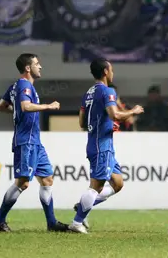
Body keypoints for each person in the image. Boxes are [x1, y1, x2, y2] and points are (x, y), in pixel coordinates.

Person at [0, 53, 69, 232]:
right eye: (37, 64)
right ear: (28, 68)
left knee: (47, 179)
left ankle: (52, 223)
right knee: (23, 182)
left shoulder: (15, 86)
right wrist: (48, 107)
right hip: (26, 141)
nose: (40, 67)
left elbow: (0, 106)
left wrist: (15, 109)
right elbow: (26, 107)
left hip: (35, 142)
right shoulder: (25, 85)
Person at [69, 58, 144, 234]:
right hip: (101, 145)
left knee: (117, 183)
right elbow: (115, 114)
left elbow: (82, 122)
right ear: (105, 72)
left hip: (100, 143)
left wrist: (106, 125)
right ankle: (77, 222)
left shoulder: (88, 93)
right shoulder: (107, 91)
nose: (113, 73)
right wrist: (134, 111)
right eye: (111, 70)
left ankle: (82, 207)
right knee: (97, 186)